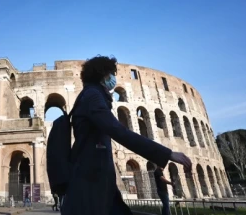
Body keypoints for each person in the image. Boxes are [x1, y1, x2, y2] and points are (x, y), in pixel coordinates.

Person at [60, 55, 192, 215]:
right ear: (103, 75)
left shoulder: (91, 95)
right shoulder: (93, 96)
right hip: (90, 182)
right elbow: (118, 131)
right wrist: (167, 153)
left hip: (96, 180)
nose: (114, 78)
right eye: (111, 74)